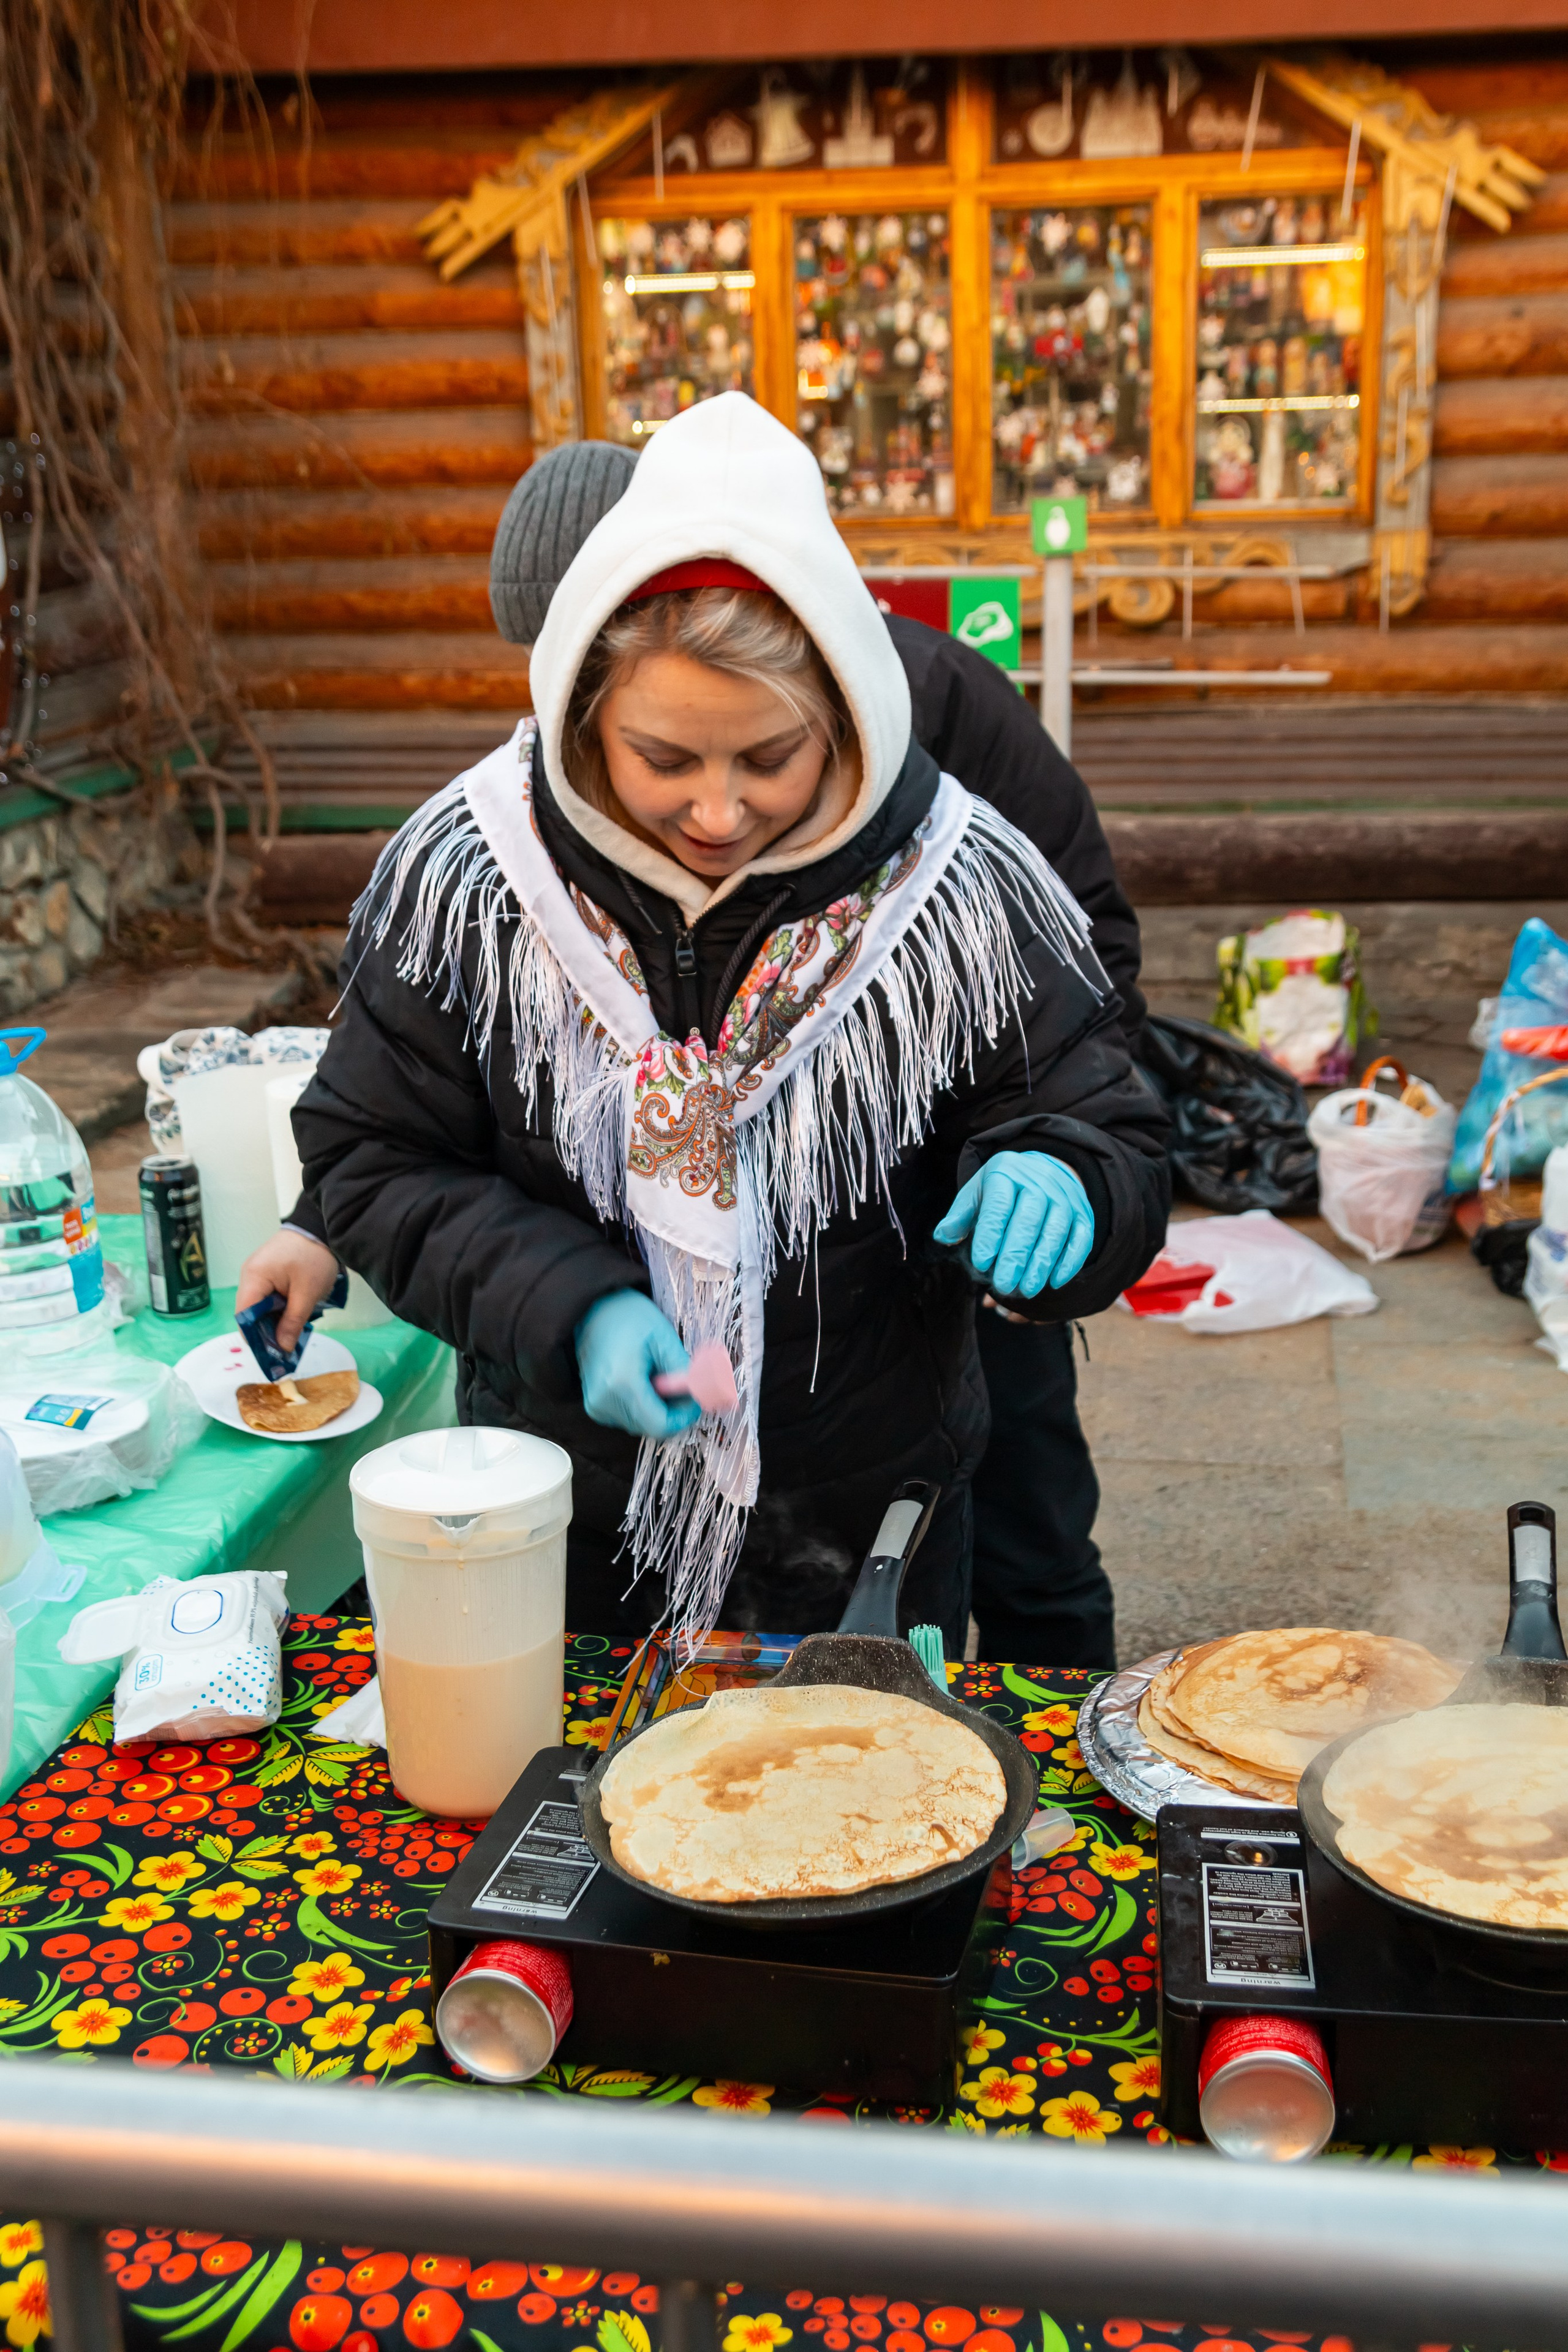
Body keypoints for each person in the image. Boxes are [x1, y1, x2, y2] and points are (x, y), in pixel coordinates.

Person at [240, 434, 1148, 1667]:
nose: (717, 813)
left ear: (843, 712)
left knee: (879, 1813)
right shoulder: (477, 883)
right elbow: (373, 1156)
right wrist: (573, 1309)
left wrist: (1072, 1169)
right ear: (581, 711)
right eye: (662, 759)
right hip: (572, 1504)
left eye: (769, 759)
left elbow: (1097, 1100)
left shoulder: (951, 887)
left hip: (873, 1500)